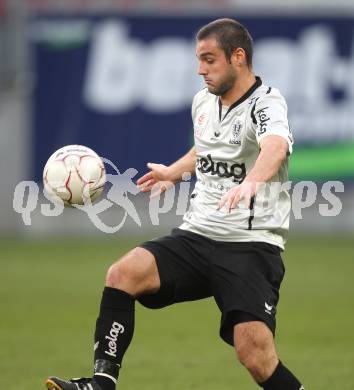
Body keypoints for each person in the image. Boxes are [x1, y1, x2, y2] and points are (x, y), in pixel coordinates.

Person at [46, 18, 305, 390]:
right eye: (198, 60)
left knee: (255, 355)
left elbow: (275, 147)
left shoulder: (266, 104)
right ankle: (101, 383)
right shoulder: (204, 101)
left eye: (209, 59)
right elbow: (207, 146)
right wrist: (175, 171)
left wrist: (251, 182)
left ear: (238, 57)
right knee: (123, 274)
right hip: (197, 236)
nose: (201, 69)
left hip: (250, 246)